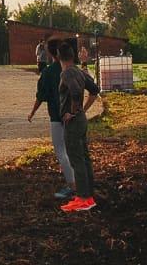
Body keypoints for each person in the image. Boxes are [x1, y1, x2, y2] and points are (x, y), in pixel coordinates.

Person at [57, 41, 103, 212]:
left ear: (58, 57)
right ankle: (88, 195)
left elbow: (76, 92)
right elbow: (95, 89)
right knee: (84, 158)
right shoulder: (78, 71)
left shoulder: (67, 73)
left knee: (76, 159)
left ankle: (83, 199)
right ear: (73, 56)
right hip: (81, 120)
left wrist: (72, 111)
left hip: (74, 122)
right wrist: (83, 110)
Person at [27, 38, 74, 201]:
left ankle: (72, 185)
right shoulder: (71, 69)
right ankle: (81, 182)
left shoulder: (48, 72)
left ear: (50, 53)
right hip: (74, 115)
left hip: (57, 116)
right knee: (73, 151)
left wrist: (32, 112)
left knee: (61, 151)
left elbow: (41, 95)